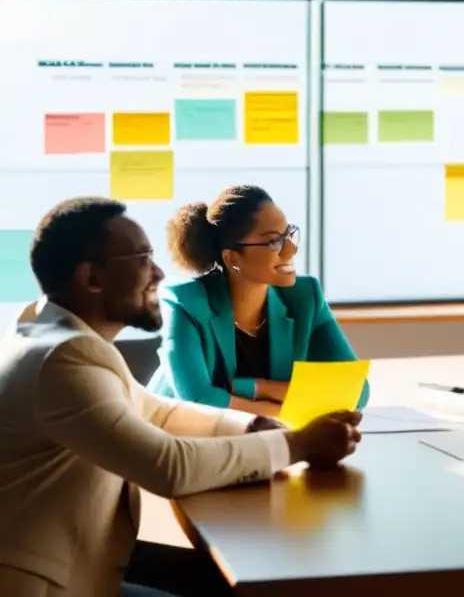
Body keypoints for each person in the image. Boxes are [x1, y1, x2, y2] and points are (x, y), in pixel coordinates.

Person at [0, 197, 363, 597]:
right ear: (92, 278)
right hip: (47, 585)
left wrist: (254, 425)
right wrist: (295, 445)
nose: (157, 272)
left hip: (81, 564)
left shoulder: (56, 336)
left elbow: (159, 412)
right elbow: (168, 466)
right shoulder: (63, 359)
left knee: (224, 580)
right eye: (143, 258)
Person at [147, 185, 369, 415]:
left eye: (289, 234)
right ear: (232, 258)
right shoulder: (184, 301)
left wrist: (254, 388)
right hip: (175, 439)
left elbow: (357, 390)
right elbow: (199, 400)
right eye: (274, 241)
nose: (291, 249)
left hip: (260, 442)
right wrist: (286, 411)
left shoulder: (305, 297)